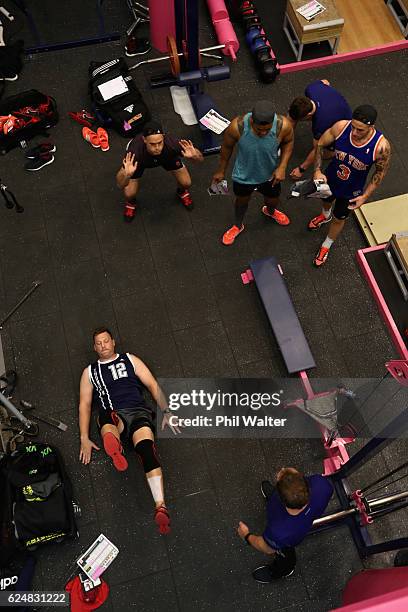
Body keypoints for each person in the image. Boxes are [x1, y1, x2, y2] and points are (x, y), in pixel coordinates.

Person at [78, 327, 180, 535]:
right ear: (94, 348)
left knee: (146, 450)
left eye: (106, 341)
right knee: (107, 417)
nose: (103, 345)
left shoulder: (130, 359)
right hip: (115, 415)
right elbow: (84, 405)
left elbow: (151, 383)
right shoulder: (90, 372)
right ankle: (114, 445)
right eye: (98, 343)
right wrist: (84, 438)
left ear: (113, 342)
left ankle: (160, 505)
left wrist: (167, 411)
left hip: (138, 412)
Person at [310, 104, 391, 267]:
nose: (354, 132)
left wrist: (365, 196)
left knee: (339, 219)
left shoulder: (381, 147)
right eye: (353, 127)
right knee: (325, 201)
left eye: (360, 130)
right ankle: (325, 215)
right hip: (330, 178)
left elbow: (380, 173)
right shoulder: (341, 127)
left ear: (371, 127)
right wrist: (317, 170)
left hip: (351, 190)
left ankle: (327, 244)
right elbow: (320, 144)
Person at [211, 100, 294, 246]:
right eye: (258, 130)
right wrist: (221, 170)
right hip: (244, 175)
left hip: (270, 175)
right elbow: (226, 147)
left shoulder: (283, 125)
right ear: (251, 121)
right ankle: (238, 225)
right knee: (241, 202)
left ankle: (270, 211)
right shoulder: (237, 126)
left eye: (267, 130)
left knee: (272, 200)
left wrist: (282, 167)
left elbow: (289, 142)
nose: (263, 133)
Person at [237, 467, 333, 584]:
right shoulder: (321, 483)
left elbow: (265, 548)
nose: (282, 469)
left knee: (285, 556)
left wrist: (246, 536)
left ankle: (282, 571)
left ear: (282, 500)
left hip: (287, 540)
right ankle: (279, 493)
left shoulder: (279, 533)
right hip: (302, 513)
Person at [116, 120, 203, 222]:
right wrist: (127, 174)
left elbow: (200, 159)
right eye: (152, 144)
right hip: (140, 163)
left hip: (167, 157)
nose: (157, 148)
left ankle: (181, 191)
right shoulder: (134, 153)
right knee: (129, 194)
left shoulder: (172, 144)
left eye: (160, 143)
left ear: (163, 137)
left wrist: (194, 156)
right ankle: (131, 203)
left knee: (186, 183)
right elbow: (120, 185)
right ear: (144, 140)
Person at [288, 79, 352, 179]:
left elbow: (318, 148)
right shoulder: (311, 89)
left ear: (309, 115)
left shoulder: (321, 124)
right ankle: (285, 137)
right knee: (291, 117)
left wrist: (301, 169)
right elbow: (325, 81)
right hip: (334, 106)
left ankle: (334, 150)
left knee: (325, 152)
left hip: (344, 125)